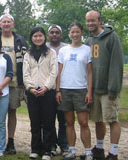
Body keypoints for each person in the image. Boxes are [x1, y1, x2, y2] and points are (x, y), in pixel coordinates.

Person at [85, 10, 124, 160]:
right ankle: (99, 149)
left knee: (112, 120)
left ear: (99, 21)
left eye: (93, 20)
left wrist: (113, 89)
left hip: (108, 89)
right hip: (94, 89)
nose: (90, 23)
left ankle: (113, 153)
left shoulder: (112, 38)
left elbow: (116, 65)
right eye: (88, 21)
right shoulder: (89, 41)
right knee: (98, 120)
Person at [55, 22, 93, 160]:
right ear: (69, 33)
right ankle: (72, 150)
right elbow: (59, 72)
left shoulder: (87, 50)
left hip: (81, 90)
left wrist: (89, 92)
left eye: (77, 32)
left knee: (83, 122)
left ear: (81, 32)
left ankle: (88, 152)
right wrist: (58, 90)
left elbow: (90, 73)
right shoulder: (63, 50)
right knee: (69, 122)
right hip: (65, 90)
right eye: (72, 32)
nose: (75, 34)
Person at [23, 27, 58, 160]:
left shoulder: (51, 53)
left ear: (45, 37)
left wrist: (46, 87)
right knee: (35, 122)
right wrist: (30, 88)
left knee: (48, 122)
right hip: (32, 93)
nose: (38, 38)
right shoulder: (28, 54)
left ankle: (47, 150)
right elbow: (25, 73)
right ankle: (35, 149)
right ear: (31, 38)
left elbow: (53, 72)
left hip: (47, 92)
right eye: (35, 36)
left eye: (40, 36)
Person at [0, 13, 28, 154]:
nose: (6, 24)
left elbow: (27, 60)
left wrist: (24, 79)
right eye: (4, 22)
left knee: (12, 111)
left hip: (15, 82)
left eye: (9, 22)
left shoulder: (20, 40)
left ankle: (10, 141)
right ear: (0, 24)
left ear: (13, 24)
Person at [46, 24, 69, 156]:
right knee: (49, 118)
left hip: (63, 88)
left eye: (57, 32)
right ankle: (52, 144)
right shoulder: (45, 47)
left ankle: (64, 144)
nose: (54, 35)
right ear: (49, 35)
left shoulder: (66, 48)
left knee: (63, 119)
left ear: (61, 34)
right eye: (52, 32)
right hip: (49, 88)